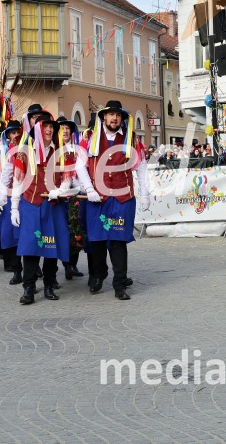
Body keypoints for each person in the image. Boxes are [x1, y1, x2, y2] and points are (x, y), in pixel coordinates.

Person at [76, 100, 149, 301]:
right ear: (103, 117)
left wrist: (144, 193)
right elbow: (80, 165)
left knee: (118, 241)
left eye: (118, 115)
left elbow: (141, 166)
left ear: (121, 118)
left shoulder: (131, 138)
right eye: (111, 114)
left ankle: (120, 284)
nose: (114, 118)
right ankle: (99, 274)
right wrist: (89, 189)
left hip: (122, 198)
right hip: (97, 197)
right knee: (97, 241)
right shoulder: (89, 137)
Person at [10, 112, 72, 304]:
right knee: (30, 248)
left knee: (51, 246)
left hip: (53, 206)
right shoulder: (24, 152)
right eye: (45, 126)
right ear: (37, 129)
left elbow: (67, 178)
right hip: (31, 205)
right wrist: (14, 207)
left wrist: (59, 191)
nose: (49, 129)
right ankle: (28, 288)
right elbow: (18, 181)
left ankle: (49, 285)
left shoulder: (61, 152)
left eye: (51, 126)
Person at [0, 120, 24, 284]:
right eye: (13, 133)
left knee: (28, 233)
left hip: (29, 196)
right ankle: (16, 269)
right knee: (12, 234)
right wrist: (1, 196)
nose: (16, 135)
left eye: (18, 132)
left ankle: (34, 267)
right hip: (12, 196)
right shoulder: (6, 151)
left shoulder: (29, 147)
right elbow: (4, 175)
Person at [56, 115, 86, 281]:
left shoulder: (77, 150)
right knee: (63, 232)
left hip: (76, 195)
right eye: (62, 128)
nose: (65, 131)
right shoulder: (54, 150)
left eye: (67, 128)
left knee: (76, 231)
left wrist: (82, 187)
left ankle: (72, 265)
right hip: (59, 197)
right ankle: (66, 264)